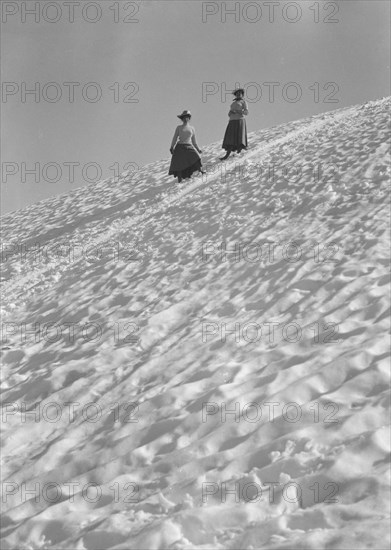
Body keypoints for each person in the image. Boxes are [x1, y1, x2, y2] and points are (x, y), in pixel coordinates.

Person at [169, 110, 204, 183]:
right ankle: (179, 180)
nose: (185, 119)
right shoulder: (179, 127)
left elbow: (194, 141)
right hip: (179, 147)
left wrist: (198, 149)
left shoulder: (192, 128)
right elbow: (175, 138)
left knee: (196, 157)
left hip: (188, 146)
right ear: (182, 119)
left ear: (189, 118)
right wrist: (172, 147)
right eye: (184, 117)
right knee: (179, 164)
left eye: (187, 117)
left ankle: (201, 171)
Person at [220, 88, 249, 161]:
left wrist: (239, 111)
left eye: (240, 93)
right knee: (230, 137)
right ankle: (228, 153)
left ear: (242, 94)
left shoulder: (243, 102)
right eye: (237, 94)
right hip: (232, 121)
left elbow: (246, 112)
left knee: (239, 136)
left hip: (239, 120)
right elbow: (229, 113)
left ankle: (239, 151)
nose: (238, 95)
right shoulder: (233, 103)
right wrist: (230, 113)